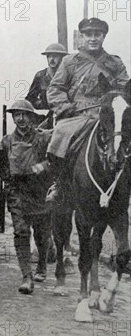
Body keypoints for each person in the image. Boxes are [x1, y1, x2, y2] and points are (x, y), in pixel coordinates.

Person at [46, 18, 129, 203]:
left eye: (97, 34)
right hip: (78, 116)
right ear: (82, 36)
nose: (93, 38)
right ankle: (59, 184)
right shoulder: (69, 61)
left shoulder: (114, 62)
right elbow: (55, 88)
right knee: (58, 135)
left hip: (108, 114)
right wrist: (65, 107)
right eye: (88, 34)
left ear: (103, 36)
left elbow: (125, 88)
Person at [0, 100, 53, 294]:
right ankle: (26, 276)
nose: (20, 119)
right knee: (21, 231)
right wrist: (8, 179)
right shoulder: (7, 141)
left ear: (32, 117)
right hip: (17, 192)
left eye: (24, 114)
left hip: (40, 192)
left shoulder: (43, 139)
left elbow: (55, 161)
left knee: (42, 233)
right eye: (16, 115)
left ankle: (42, 265)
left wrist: (42, 166)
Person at [26, 43, 68, 128]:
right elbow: (30, 99)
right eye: (49, 56)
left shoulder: (68, 76)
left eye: (55, 56)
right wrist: (44, 104)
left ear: (62, 58)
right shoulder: (40, 76)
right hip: (46, 117)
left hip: (64, 116)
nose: (52, 59)